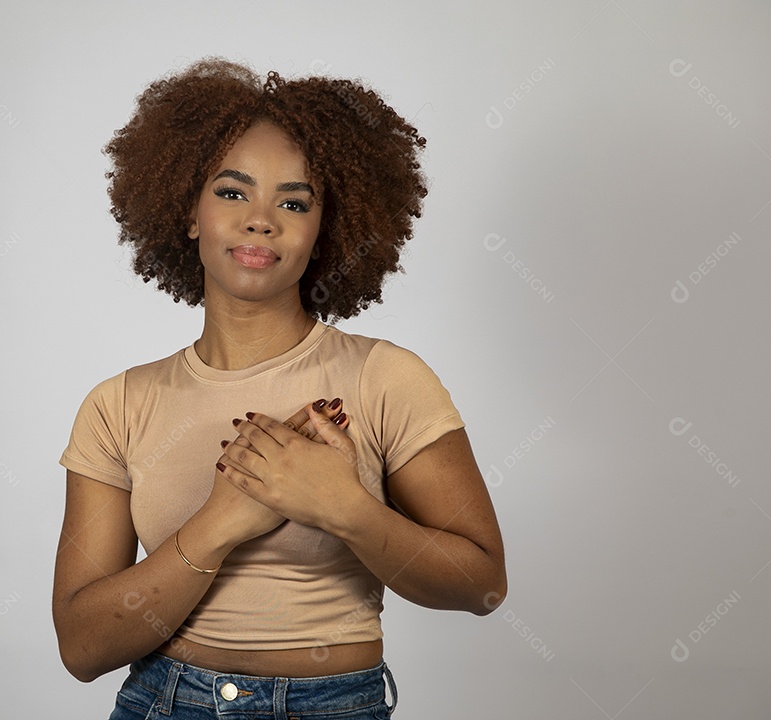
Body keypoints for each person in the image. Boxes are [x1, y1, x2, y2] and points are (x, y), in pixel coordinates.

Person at [53, 57, 507, 719]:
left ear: (323, 232)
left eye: (293, 202)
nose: (261, 220)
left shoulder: (384, 379)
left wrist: (344, 508)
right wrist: (221, 523)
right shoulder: (117, 406)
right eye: (232, 193)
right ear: (189, 213)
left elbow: (482, 585)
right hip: (163, 703)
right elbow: (82, 646)